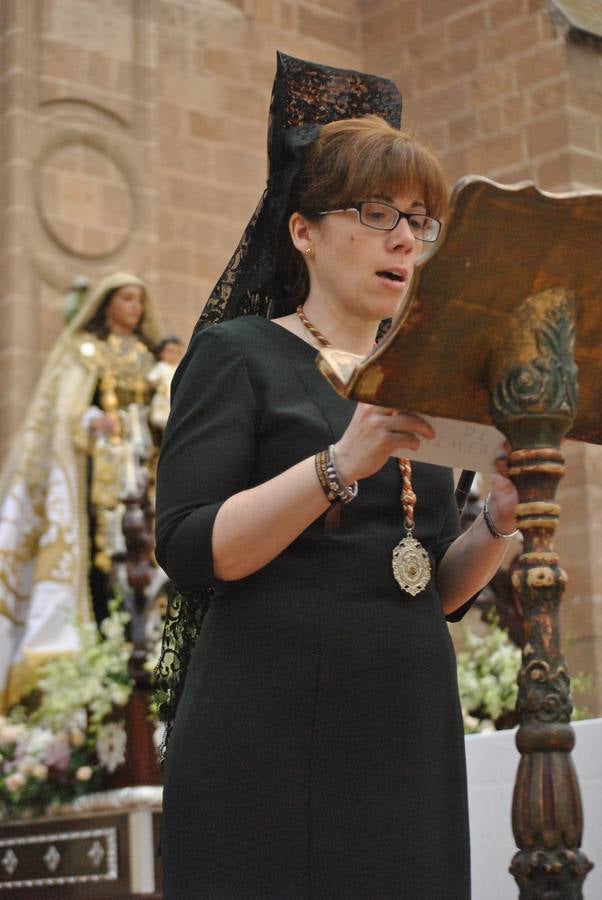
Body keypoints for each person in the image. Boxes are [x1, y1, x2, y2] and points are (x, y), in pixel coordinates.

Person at [154, 53, 518, 900]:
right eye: (376, 212)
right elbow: (191, 547)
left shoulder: (425, 378)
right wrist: (337, 466)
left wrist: (499, 520)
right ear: (303, 231)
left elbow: (434, 583)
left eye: (420, 221)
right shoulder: (236, 354)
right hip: (270, 721)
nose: (404, 238)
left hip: (407, 717)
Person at [0, 272, 162, 713]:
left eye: (139, 300)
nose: (135, 307)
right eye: (126, 298)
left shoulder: (148, 356)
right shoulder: (84, 351)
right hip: (101, 469)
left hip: (145, 464)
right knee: (105, 554)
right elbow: (68, 409)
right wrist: (93, 420)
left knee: (148, 551)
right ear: (107, 304)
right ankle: (102, 635)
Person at [147, 336, 184, 431]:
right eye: (170, 351)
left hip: (178, 397)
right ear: (161, 353)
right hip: (164, 398)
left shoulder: (180, 367)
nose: (174, 355)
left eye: (177, 352)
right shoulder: (161, 366)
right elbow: (151, 380)